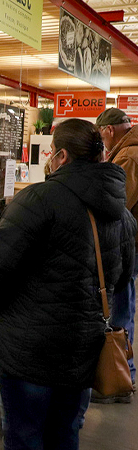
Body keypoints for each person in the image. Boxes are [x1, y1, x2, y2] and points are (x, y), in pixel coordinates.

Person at [0, 118, 136, 450]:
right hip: (84, 351)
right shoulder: (123, 214)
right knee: (66, 432)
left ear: (61, 156)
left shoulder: (38, 200)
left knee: (24, 435)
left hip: (30, 352)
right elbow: (123, 279)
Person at [96, 107, 138, 399]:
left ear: (109, 130)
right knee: (123, 305)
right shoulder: (128, 151)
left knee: (120, 308)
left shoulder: (129, 156)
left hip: (126, 244)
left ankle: (121, 379)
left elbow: (116, 201)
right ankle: (122, 376)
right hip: (129, 242)